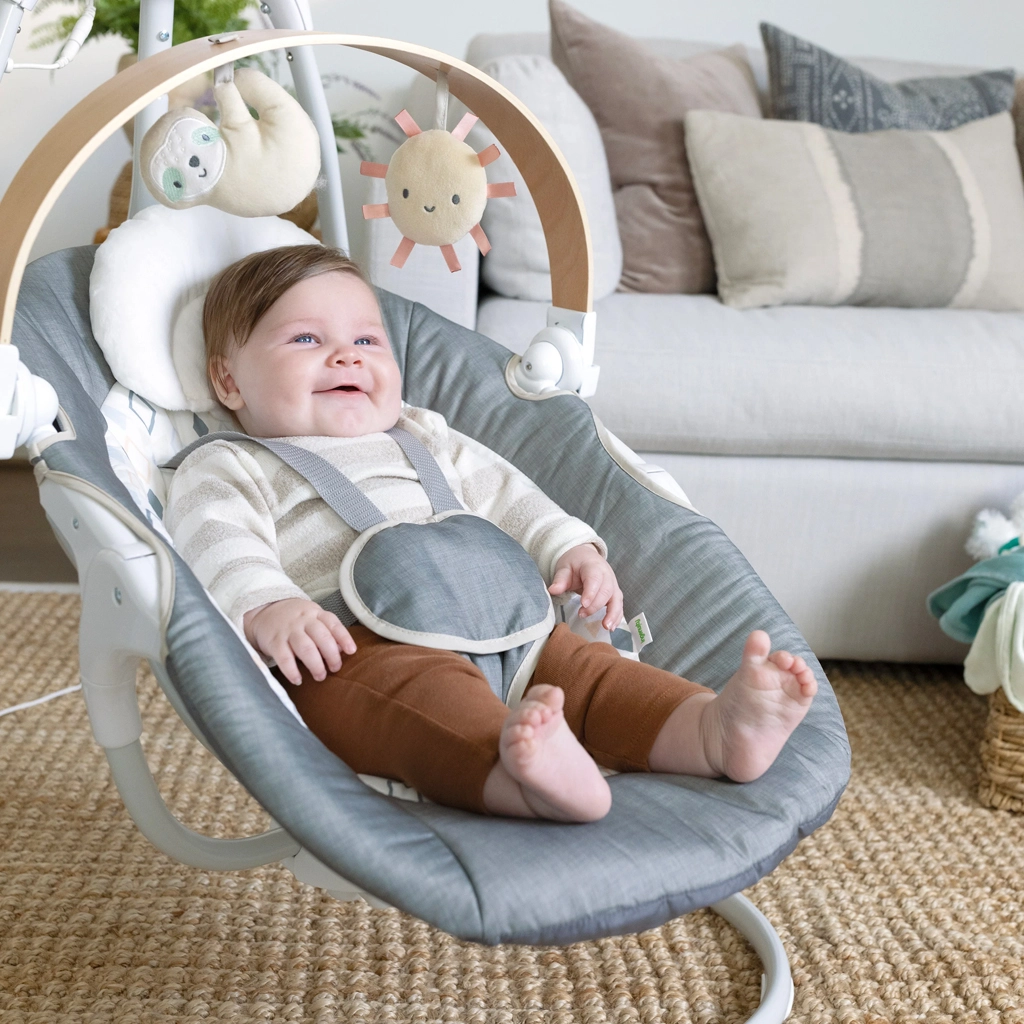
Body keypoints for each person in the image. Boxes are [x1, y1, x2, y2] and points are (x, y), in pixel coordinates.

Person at [166, 244, 817, 823]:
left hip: (517, 630)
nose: (347, 355)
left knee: (591, 675)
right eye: (306, 339)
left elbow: (508, 494)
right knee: (421, 706)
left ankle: (710, 730)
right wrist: (268, 605)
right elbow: (217, 540)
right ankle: (520, 773)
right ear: (229, 380)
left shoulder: (422, 434)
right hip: (363, 649)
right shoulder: (231, 463)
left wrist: (567, 547)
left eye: (368, 340)